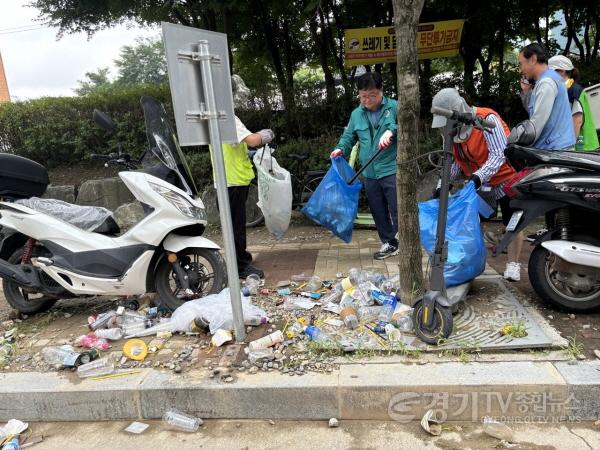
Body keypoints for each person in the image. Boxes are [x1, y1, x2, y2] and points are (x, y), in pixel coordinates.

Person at [431, 88, 525, 282]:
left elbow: (499, 154)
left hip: (506, 178)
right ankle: (472, 263)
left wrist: (477, 177)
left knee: (512, 223)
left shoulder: (486, 119)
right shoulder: (452, 132)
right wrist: (444, 182)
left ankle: (513, 264)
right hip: (480, 182)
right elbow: (456, 160)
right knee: (472, 222)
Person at [330, 72, 399, 260]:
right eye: (363, 96)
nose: (367, 100)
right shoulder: (356, 114)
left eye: (372, 95)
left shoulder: (395, 107)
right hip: (369, 171)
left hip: (391, 168)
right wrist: (339, 149)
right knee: (378, 209)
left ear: (381, 91)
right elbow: (348, 137)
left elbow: (407, 129)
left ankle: (404, 240)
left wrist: (392, 132)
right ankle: (389, 243)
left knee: (397, 207)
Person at [214, 75, 274, 279]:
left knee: (234, 224)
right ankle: (241, 266)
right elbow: (252, 140)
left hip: (226, 179)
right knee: (235, 227)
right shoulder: (227, 118)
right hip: (232, 181)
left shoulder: (215, 117)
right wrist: (267, 135)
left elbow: (234, 145)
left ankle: (239, 259)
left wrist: (245, 151)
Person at [509, 43, 575, 149]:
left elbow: (536, 125)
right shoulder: (550, 78)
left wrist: (514, 141)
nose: (520, 70)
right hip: (559, 147)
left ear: (533, 59)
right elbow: (535, 112)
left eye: (521, 64)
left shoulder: (546, 83)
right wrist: (527, 92)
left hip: (555, 152)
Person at [548, 55, 599, 151]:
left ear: (562, 71)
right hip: (580, 146)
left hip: (583, 146)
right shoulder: (565, 89)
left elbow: (577, 121)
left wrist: (570, 147)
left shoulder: (573, 90)